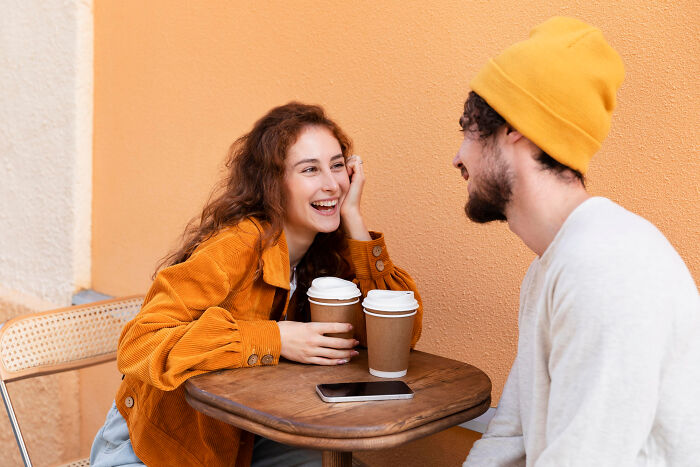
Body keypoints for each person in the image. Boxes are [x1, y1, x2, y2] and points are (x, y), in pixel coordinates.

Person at [90, 102, 423, 467]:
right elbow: (139, 343)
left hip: (246, 439)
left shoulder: (328, 252)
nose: (332, 184)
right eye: (310, 169)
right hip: (158, 449)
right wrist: (276, 338)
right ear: (273, 183)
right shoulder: (236, 246)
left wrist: (354, 217)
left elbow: (397, 336)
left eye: (338, 165)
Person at [454, 17, 700, 466]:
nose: (459, 156)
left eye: (468, 129)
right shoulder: (555, 263)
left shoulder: (607, 269)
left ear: (515, 129)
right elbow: (512, 433)